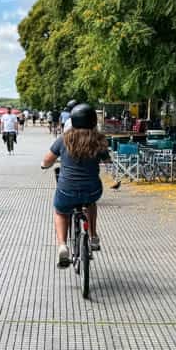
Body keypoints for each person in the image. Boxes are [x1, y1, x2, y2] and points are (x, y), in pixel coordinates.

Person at [42, 102, 111, 266]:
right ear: (93, 121)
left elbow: (47, 160)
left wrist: (45, 166)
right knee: (91, 204)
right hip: (92, 189)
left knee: (60, 212)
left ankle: (62, 246)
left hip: (67, 190)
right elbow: (108, 161)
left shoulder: (64, 140)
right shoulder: (98, 140)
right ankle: (93, 237)